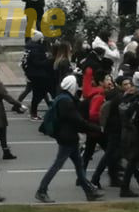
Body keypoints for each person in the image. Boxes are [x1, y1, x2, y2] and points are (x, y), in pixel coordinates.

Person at [35, 75, 103, 203]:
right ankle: (41, 190)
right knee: (58, 165)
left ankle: (89, 191)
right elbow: (78, 121)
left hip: (68, 137)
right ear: (72, 86)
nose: (77, 86)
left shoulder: (63, 98)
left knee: (79, 165)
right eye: (76, 84)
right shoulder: (66, 102)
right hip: (67, 138)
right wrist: (98, 128)